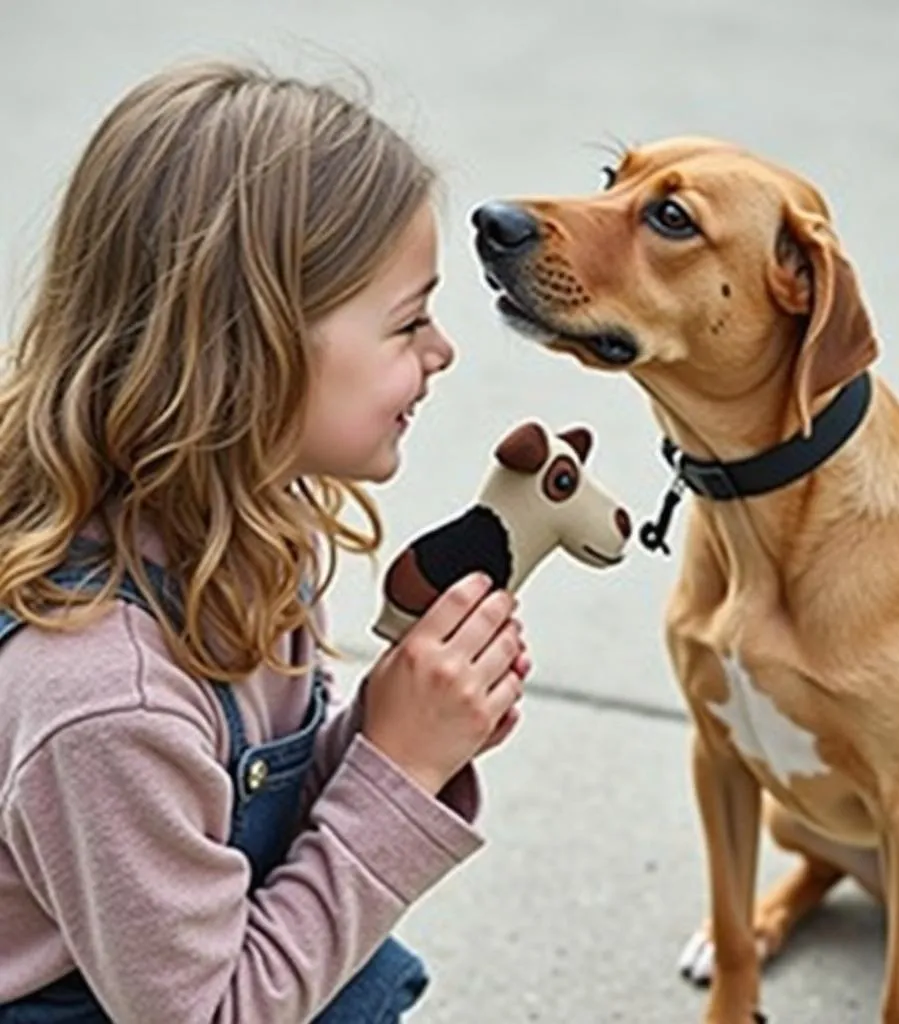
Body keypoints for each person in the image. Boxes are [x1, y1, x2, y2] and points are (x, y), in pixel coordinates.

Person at [0, 59, 529, 1023]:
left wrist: (390, 729)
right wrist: (400, 774)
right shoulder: (104, 700)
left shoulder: (242, 534)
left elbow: (251, 823)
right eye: (408, 320)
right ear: (254, 348)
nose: (442, 351)